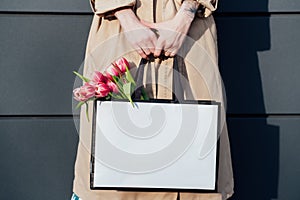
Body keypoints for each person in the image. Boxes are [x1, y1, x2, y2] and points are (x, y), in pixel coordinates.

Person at [72, 0, 234, 199]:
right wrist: (126, 17)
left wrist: (185, 17)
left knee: (196, 169)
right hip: (118, 28)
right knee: (109, 168)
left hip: (190, 33)